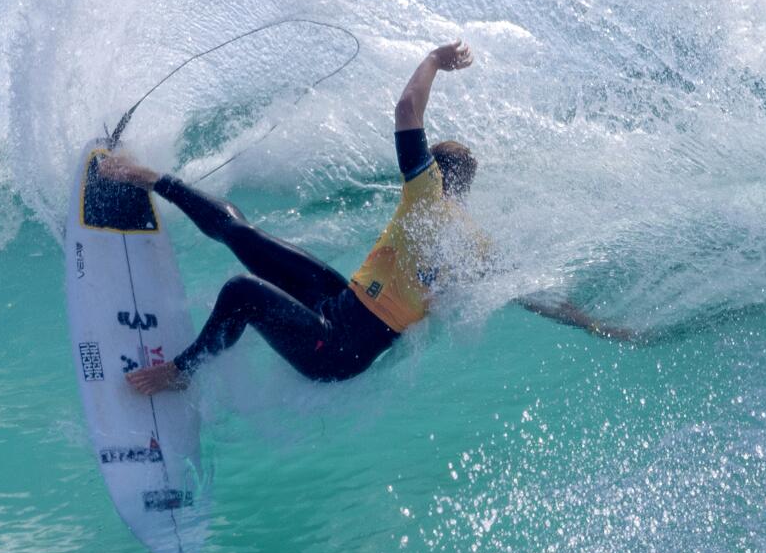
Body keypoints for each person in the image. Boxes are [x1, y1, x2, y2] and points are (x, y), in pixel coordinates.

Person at [102, 39, 634, 394]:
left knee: (242, 291)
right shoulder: (474, 247)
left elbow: (407, 111)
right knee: (245, 236)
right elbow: (539, 298)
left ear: (437, 175)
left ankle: (180, 374)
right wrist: (599, 325)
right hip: (344, 306)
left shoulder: (427, 197)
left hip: (337, 350)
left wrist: (433, 60)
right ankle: (150, 179)